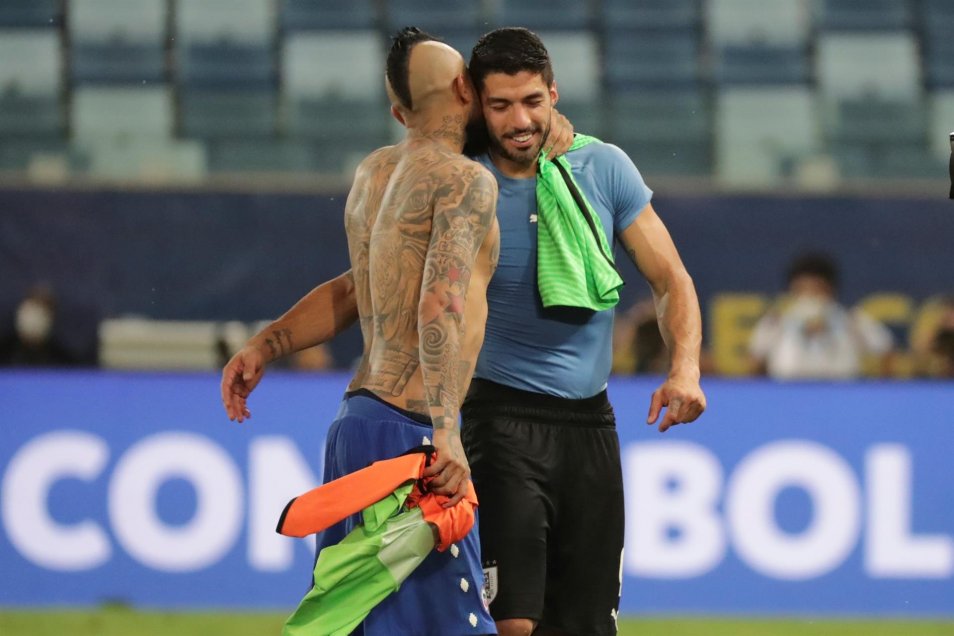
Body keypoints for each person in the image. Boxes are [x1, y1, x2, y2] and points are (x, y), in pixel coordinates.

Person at [223, 26, 704, 636]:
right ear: (471, 98)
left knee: (583, 626)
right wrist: (272, 342)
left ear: (554, 94)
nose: (519, 120)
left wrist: (684, 366)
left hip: (590, 427)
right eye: (500, 105)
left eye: (533, 102)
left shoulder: (601, 167)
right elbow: (377, 289)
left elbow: (672, 279)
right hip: (492, 419)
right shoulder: (461, 178)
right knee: (510, 622)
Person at [222, 28, 499, 635]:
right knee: (454, 626)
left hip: (354, 426)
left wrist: (265, 344)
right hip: (415, 434)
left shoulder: (374, 173)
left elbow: (352, 290)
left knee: (360, 621)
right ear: (463, 89)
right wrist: (447, 432)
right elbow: (439, 303)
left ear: (399, 112)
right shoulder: (466, 181)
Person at [748, 252, 894, 380]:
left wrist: (879, 392)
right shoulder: (776, 321)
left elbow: (885, 351)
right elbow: (755, 361)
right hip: (789, 391)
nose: (810, 294)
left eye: (816, 288)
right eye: (803, 288)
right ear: (792, 289)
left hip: (842, 391)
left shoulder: (853, 320)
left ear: (830, 289)